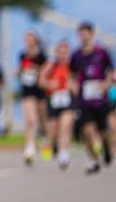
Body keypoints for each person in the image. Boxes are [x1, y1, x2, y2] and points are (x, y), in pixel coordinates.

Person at [70, 22, 116, 175]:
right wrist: (73, 85)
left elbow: (111, 70)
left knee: (102, 132)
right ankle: (94, 160)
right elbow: (72, 73)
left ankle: (106, 147)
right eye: (81, 34)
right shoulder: (76, 55)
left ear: (91, 34)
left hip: (99, 99)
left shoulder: (101, 52)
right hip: (84, 99)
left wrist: (106, 83)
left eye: (86, 33)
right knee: (87, 131)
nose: (83, 37)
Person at [41, 40, 76, 171]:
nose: (63, 55)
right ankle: (54, 143)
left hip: (68, 101)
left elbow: (79, 81)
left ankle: (64, 153)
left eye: (65, 53)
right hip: (54, 100)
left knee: (65, 126)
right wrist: (50, 84)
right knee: (54, 130)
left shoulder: (73, 66)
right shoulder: (51, 65)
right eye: (60, 53)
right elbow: (41, 80)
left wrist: (73, 86)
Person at [16, 31, 48, 165]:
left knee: (42, 121)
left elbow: (46, 72)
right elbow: (18, 73)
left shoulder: (42, 57)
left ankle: (45, 140)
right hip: (27, 91)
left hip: (40, 91)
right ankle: (30, 148)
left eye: (31, 39)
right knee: (30, 121)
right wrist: (20, 70)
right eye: (26, 39)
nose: (28, 42)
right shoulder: (22, 56)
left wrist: (35, 68)